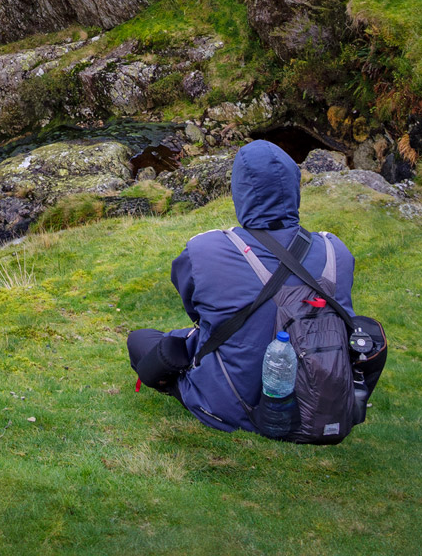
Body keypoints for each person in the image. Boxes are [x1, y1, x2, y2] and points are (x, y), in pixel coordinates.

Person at [126, 140, 357, 432]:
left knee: (143, 340)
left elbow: (195, 312)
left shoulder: (205, 248)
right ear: (294, 188)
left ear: (241, 191)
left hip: (231, 408)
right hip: (325, 404)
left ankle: (198, 390)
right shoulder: (335, 250)